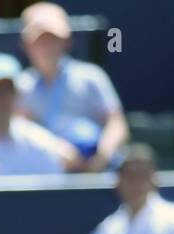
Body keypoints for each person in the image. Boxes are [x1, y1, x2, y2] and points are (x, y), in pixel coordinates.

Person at [17, 1, 127, 171]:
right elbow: (18, 131)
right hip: (43, 174)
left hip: (96, 173)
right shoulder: (20, 86)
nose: (47, 47)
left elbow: (116, 124)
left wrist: (99, 159)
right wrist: (54, 150)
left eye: (53, 39)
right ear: (26, 45)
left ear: (67, 41)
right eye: (40, 40)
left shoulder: (91, 76)